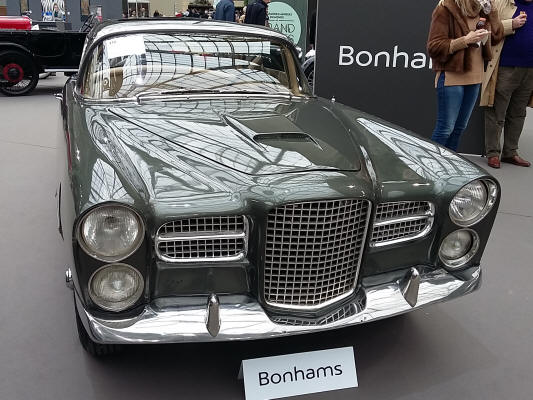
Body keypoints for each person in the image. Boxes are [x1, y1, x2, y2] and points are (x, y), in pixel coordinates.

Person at [427, 0, 503, 151]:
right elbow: (433, 47)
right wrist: (465, 40)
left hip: (475, 78)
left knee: (459, 128)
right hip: (452, 77)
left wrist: (493, 12)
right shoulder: (445, 8)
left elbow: (497, 36)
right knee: (446, 129)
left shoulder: (483, 9)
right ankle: (430, 164)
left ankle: (450, 163)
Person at [481, 0, 533, 168]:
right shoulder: (501, 3)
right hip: (505, 67)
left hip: (530, 70)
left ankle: (510, 152)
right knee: (496, 111)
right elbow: (486, 28)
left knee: (518, 113)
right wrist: (511, 24)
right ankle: (493, 153)